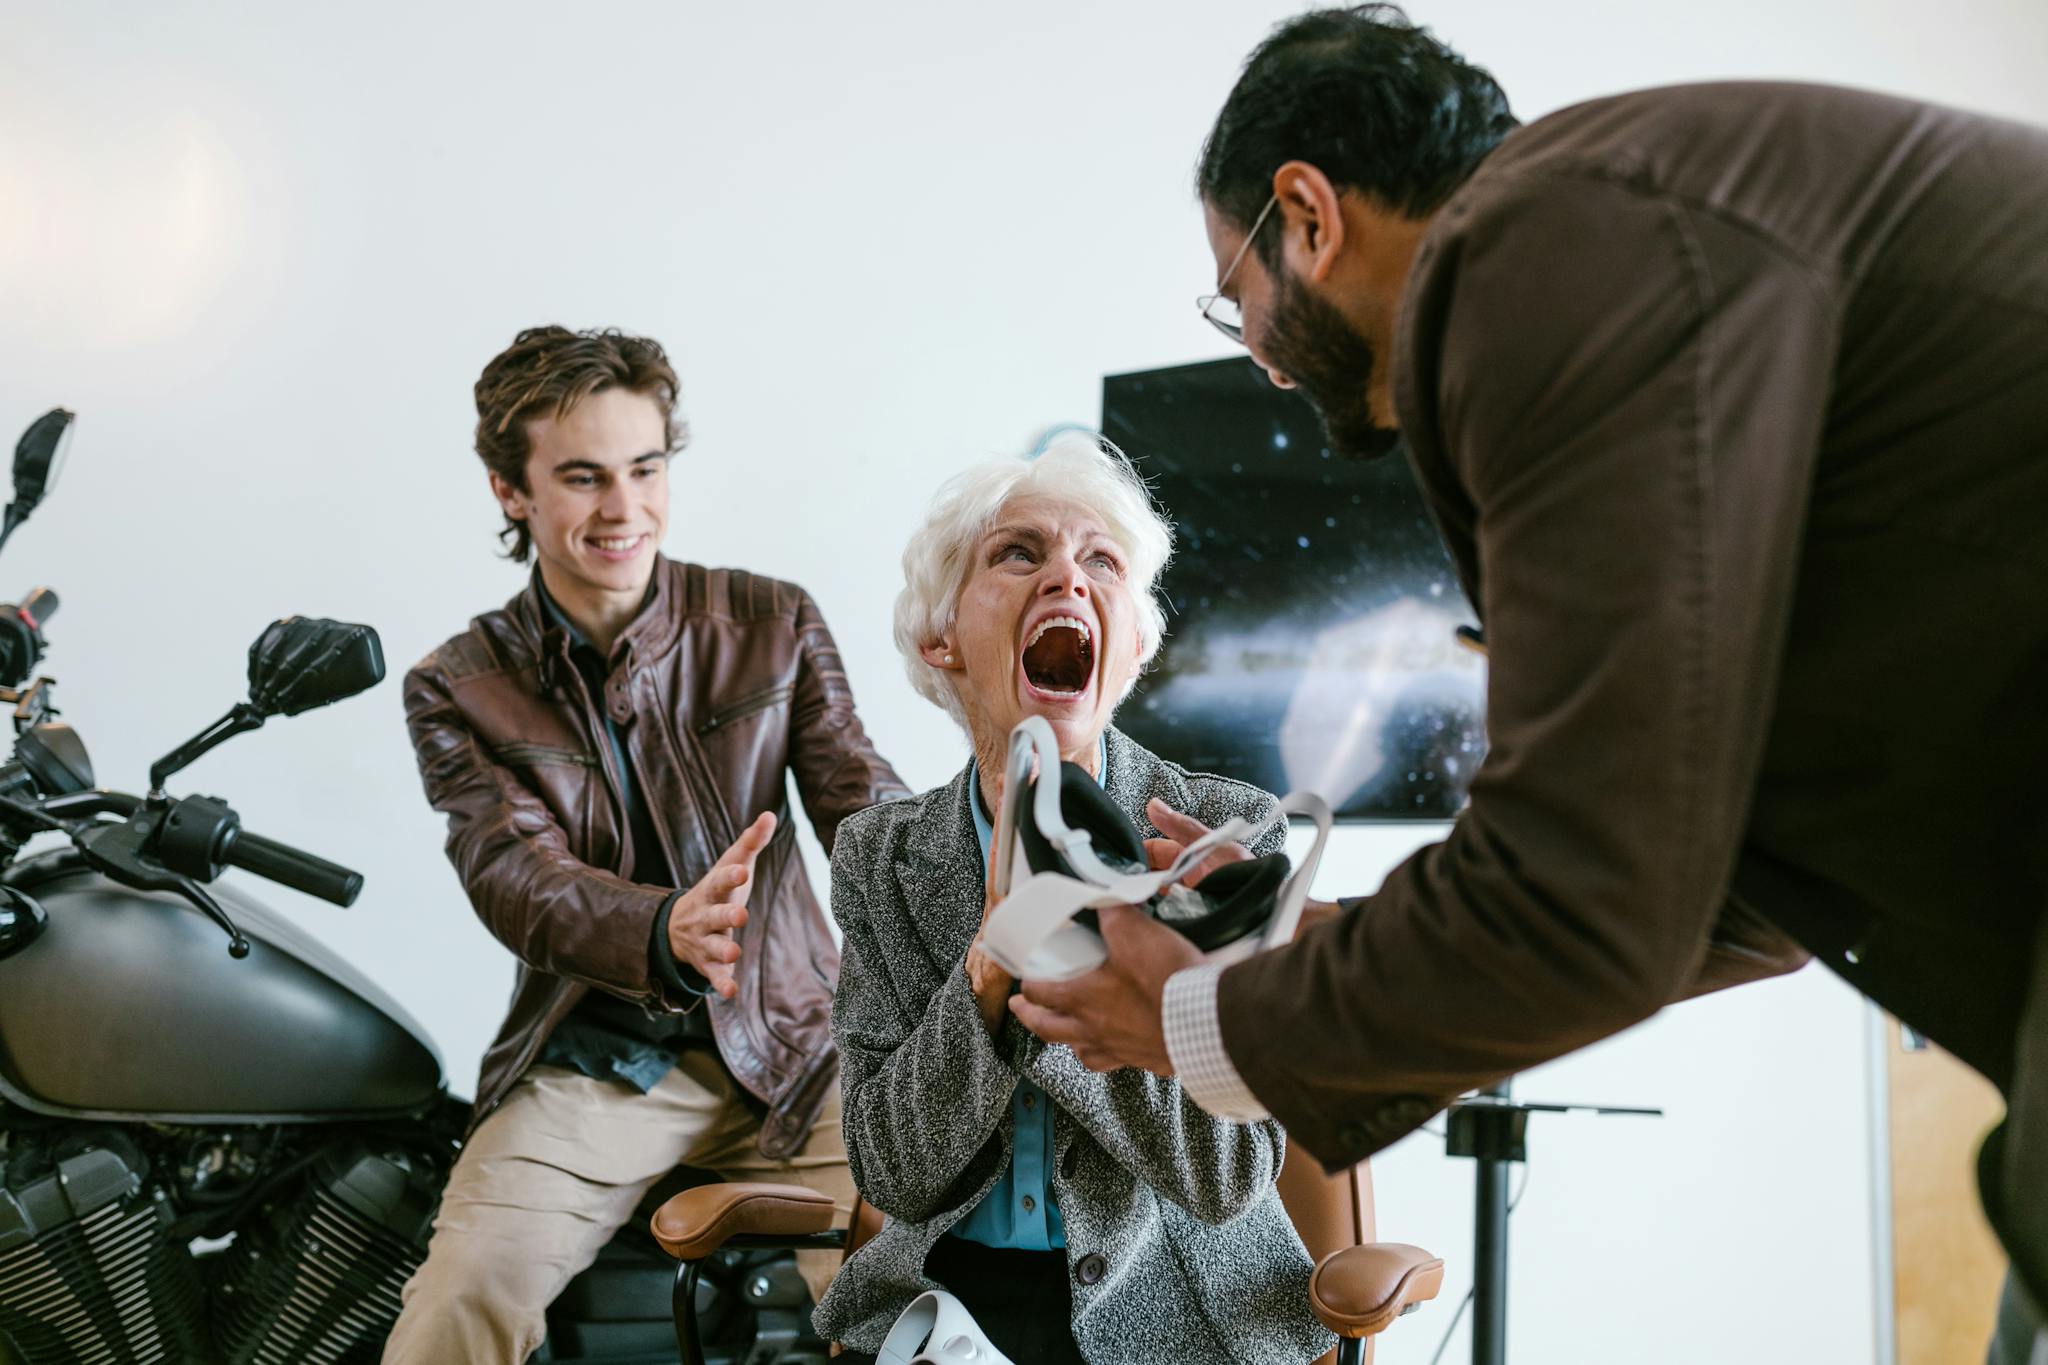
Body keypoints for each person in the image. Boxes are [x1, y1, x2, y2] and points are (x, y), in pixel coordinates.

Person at [1008, 3, 2048, 1349]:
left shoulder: (1541, 249)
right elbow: (1709, 886)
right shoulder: (1611, 234)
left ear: (1307, 214)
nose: (1254, 351)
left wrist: (1202, 1013)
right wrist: (1314, 947)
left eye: (1235, 292)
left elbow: (1588, 878)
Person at [386, 326, 907, 1363]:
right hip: (600, 1067)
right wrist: (663, 929)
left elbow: (862, 800)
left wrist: (994, 842)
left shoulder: (769, 619)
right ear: (510, 490)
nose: (623, 509)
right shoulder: (457, 685)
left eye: (645, 468)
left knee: (924, 1299)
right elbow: (513, 879)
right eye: (581, 478)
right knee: (462, 1299)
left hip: (805, 1048)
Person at [813, 434, 1331, 1364]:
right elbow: (890, 1169)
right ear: (942, 639)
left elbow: (1226, 1177)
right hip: (948, 1302)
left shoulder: (1225, 829)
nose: (1066, 576)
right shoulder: (880, 855)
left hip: (1177, 1311)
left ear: (1132, 644)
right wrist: (987, 968)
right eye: (1018, 553)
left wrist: (1076, 953)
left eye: (1102, 560)